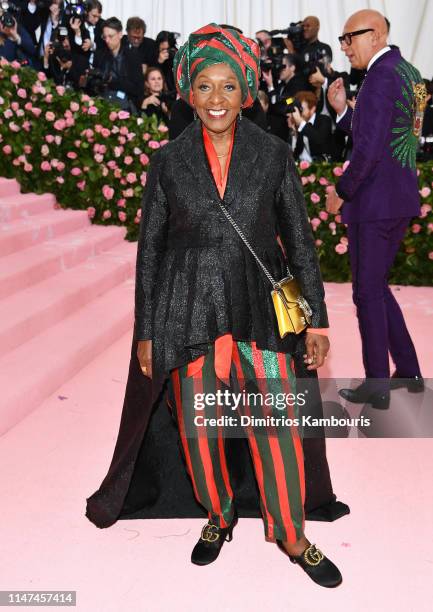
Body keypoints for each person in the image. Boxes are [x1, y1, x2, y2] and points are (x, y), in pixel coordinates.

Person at [130, 23, 343, 587]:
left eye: (228, 86)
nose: (217, 100)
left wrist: (316, 317)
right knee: (200, 433)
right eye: (205, 87)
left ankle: (292, 534)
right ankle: (219, 514)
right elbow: (149, 251)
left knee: (277, 424)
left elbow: (298, 238)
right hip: (189, 308)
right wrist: (147, 331)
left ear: (246, 90)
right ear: (189, 92)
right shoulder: (167, 162)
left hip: (259, 308)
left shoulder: (273, 154)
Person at [326, 9, 426, 408]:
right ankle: (410, 370)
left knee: (366, 292)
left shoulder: (380, 77)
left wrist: (342, 191)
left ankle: (377, 384)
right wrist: (343, 111)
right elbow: (386, 133)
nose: (346, 46)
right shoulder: (408, 73)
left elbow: (367, 151)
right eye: (343, 39)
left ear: (377, 33)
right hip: (398, 197)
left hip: (375, 202)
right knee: (378, 287)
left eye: (351, 37)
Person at [91, 16, 144, 112]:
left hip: (126, 106)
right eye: (104, 37)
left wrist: (113, 81)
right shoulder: (100, 55)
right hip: (103, 103)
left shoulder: (132, 57)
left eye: (110, 36)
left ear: (120, 34)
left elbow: (138, 88)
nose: (107, 40)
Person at [288, 90, 333, 161]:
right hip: (304, 165)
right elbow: (299, 148)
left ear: (312, 109)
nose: (299, 113)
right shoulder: (302, 123)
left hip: (322, 165)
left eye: (301, 109)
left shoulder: (324, 120)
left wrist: (301, 122)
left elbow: (319, 139)